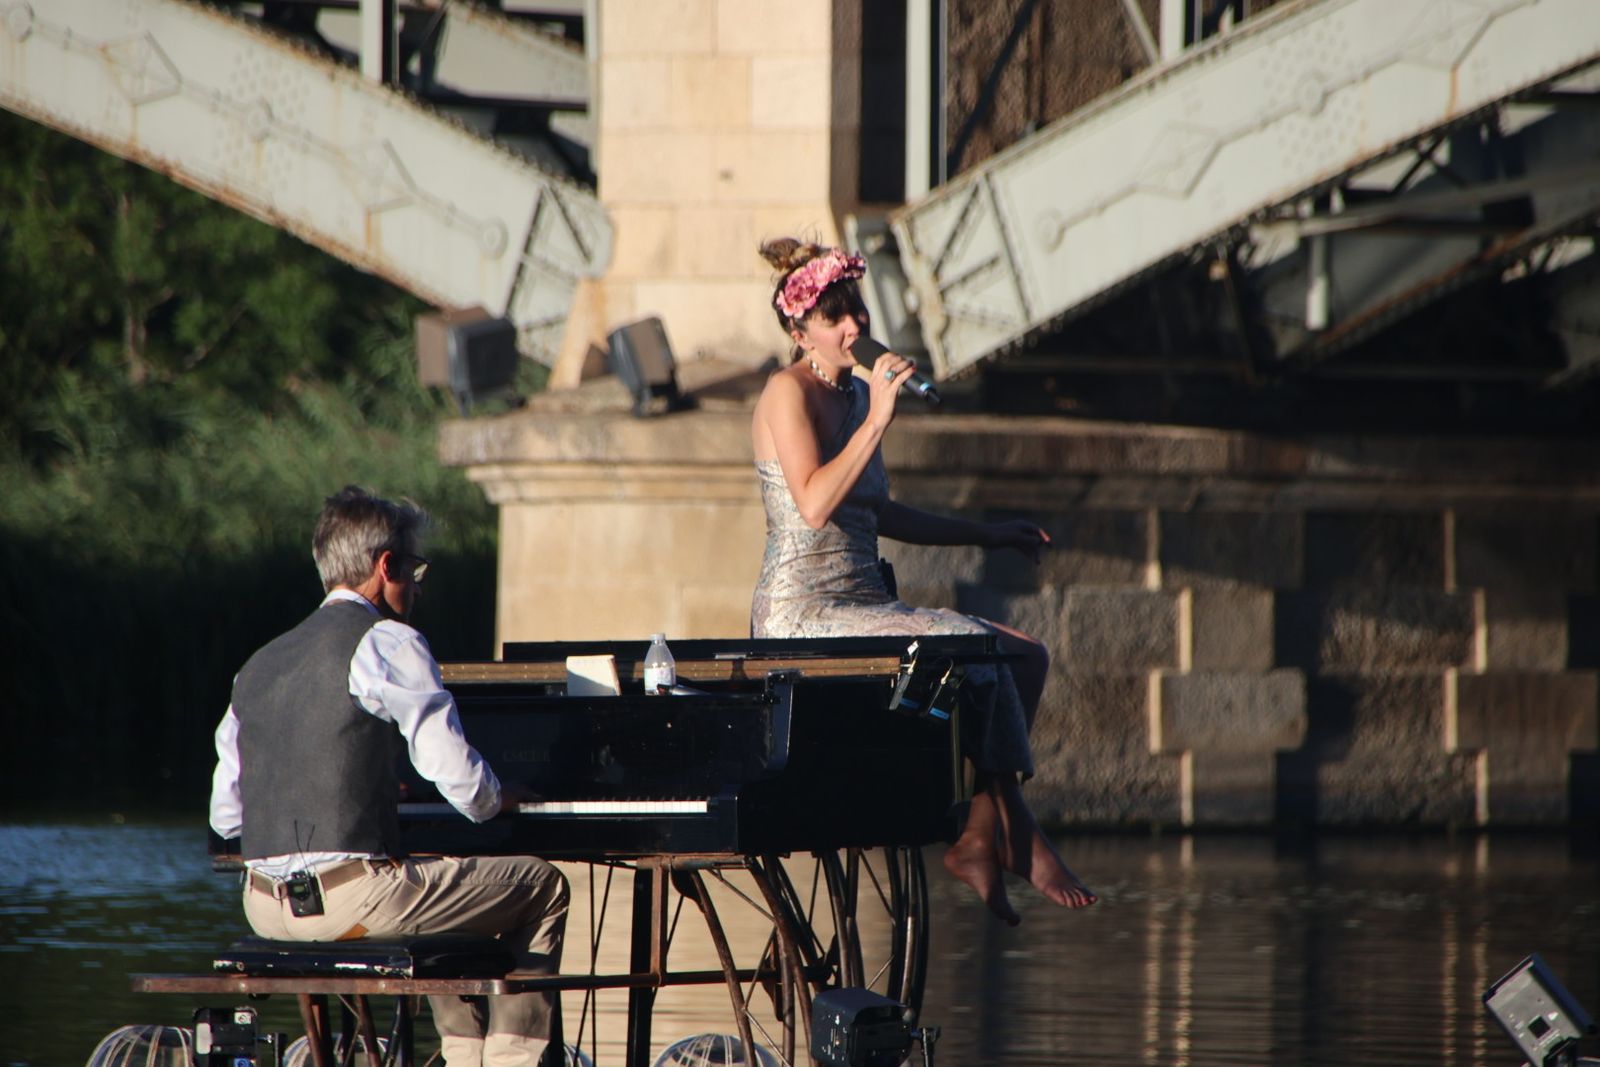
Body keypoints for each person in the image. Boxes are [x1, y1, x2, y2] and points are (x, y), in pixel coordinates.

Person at [749, 238, 1096, 926]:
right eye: (833, 317)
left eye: (855, 311)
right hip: (804, 611)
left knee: (1025, 655)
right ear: (799, 330)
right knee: (970, 644)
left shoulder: (849, 391)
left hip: (865, 600)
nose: (853, 327)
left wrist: (987, 533)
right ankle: (1014, 833)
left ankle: (979, 834)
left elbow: (879, 510)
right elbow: (816, 503)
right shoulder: (786, 393)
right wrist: (879, 418)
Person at [208, 486, 568, 1067]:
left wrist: (368, 788)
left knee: (443, 882)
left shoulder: (258, 663)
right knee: (540, 886)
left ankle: (464, 1052)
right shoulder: (389, 640)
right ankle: (510, 1059)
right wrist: (499, 799)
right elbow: (464, 785)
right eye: (414, 570)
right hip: (354, 901)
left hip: (264, 907)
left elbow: (226, 817)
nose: (418, 586)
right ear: (385, 566)